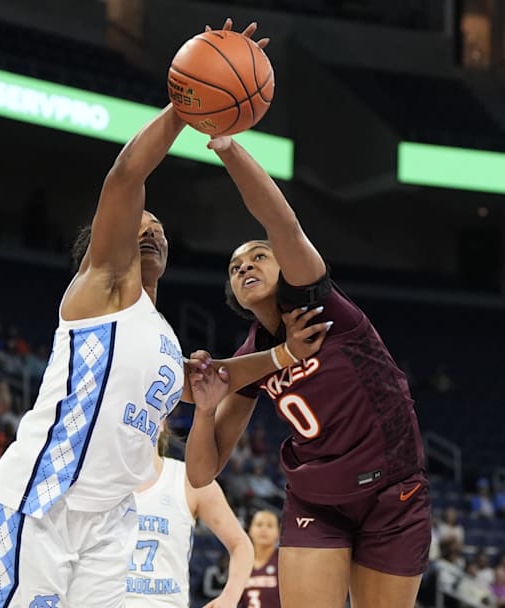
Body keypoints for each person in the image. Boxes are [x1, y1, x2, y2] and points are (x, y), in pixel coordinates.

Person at [0, 30, 323, 607]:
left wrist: (282, 355)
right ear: (111, 242)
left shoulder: (158, 336)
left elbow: (205, 382)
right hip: (42, 500)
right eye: (142, 224)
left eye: (160, 227)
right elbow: (125, 178)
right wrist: (188, 105)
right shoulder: (101, 288)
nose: (154, 229)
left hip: (110, 521)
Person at [185, 112, 430, 607]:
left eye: (257, 257)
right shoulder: (252, 358)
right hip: (317, 501)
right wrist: (206, 408)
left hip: (392, 493)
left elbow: (279, 221)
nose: (245, 266)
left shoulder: (319, 301)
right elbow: (201, 474)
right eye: (235, 267)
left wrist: (229, 148)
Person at [125, 431, 253, 607]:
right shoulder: (98, 480)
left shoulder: (188, 480)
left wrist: (229, 598)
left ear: (162, 421)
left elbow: (241, 545)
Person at [237, 510, 280, 608]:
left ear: (278, 532)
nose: (264, 529)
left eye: (270, 526)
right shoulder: (240, 564)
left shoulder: (283, 562)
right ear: (250, 530)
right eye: (259, 525)